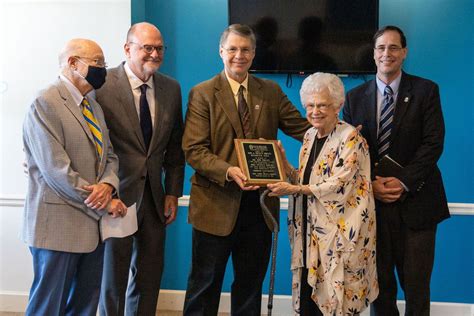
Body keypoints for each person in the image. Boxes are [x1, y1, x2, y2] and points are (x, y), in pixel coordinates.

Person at [182, 24, 310, 315]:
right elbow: (194, 149)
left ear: (254, 54)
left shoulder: (271, 92)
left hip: (260, 208)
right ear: (221, 52)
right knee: (204, 285)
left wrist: (341, 134)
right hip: (215, 206)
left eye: (246, 50)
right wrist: (230, 171)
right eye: (233, 49)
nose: (239, 55)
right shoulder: (202, 93)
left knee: (250, 287)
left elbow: (303, 129)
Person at [343, 25, 450, 316]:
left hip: (418, 204)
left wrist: (401, 181)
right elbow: (348, 155)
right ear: (373, 54)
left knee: (417, 288)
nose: (386, 54)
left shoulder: (426, 90)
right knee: (380, 288)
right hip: (373, 207)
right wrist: (370, 186)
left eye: (393, 48)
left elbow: (433, 143)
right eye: (381, 48)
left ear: (404, 53)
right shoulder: (353, 99)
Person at [21, 38, 127, 316]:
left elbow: (111, 157)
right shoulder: (44, 102)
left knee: (85, 306)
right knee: (47, 307)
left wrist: (108, 184)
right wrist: (104, 201)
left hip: (92, 229)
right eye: (98, 63)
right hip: (57, 227)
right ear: (72, 63)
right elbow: (56, 170)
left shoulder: (93, 107)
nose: (103, 70)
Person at [267, 72, 378, 315]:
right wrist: (284, 163)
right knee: (310, 302)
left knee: (336, 304)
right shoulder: (309, 136)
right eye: (310, 105)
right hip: (310, 236)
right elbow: (306, 180)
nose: (315, 111)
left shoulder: (351, 137)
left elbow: (339, 184)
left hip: (339, 239)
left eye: (322, 105)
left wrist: (294, 189)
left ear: (338, 105)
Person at [96, 22, 185, 316]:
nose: (154, 54)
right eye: (147, 47)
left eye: (159, 48)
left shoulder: (171, 88)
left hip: (155, 199)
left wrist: (173, 192)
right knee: (114, 279)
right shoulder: (103, 86)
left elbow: (175, 148)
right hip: (117, 197)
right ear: (127, 48)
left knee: (149, 277)